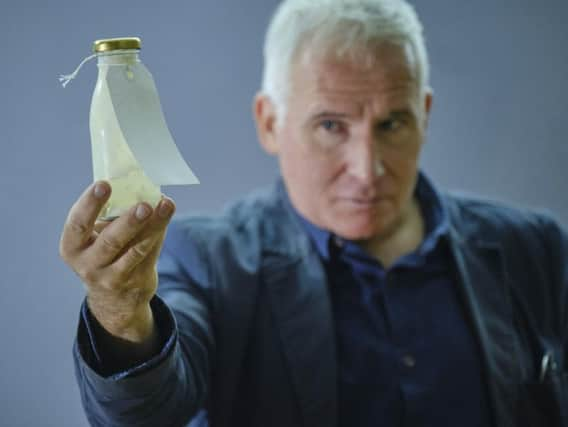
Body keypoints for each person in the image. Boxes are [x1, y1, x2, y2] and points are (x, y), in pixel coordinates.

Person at [59, 0, 568, 426]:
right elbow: (149, 414)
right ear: (269, 123)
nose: (367, 170)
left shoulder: (535, 249)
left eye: (392, 123)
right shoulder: (206, 262)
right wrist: (121, 312)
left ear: (426, 116)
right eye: (330, 125)